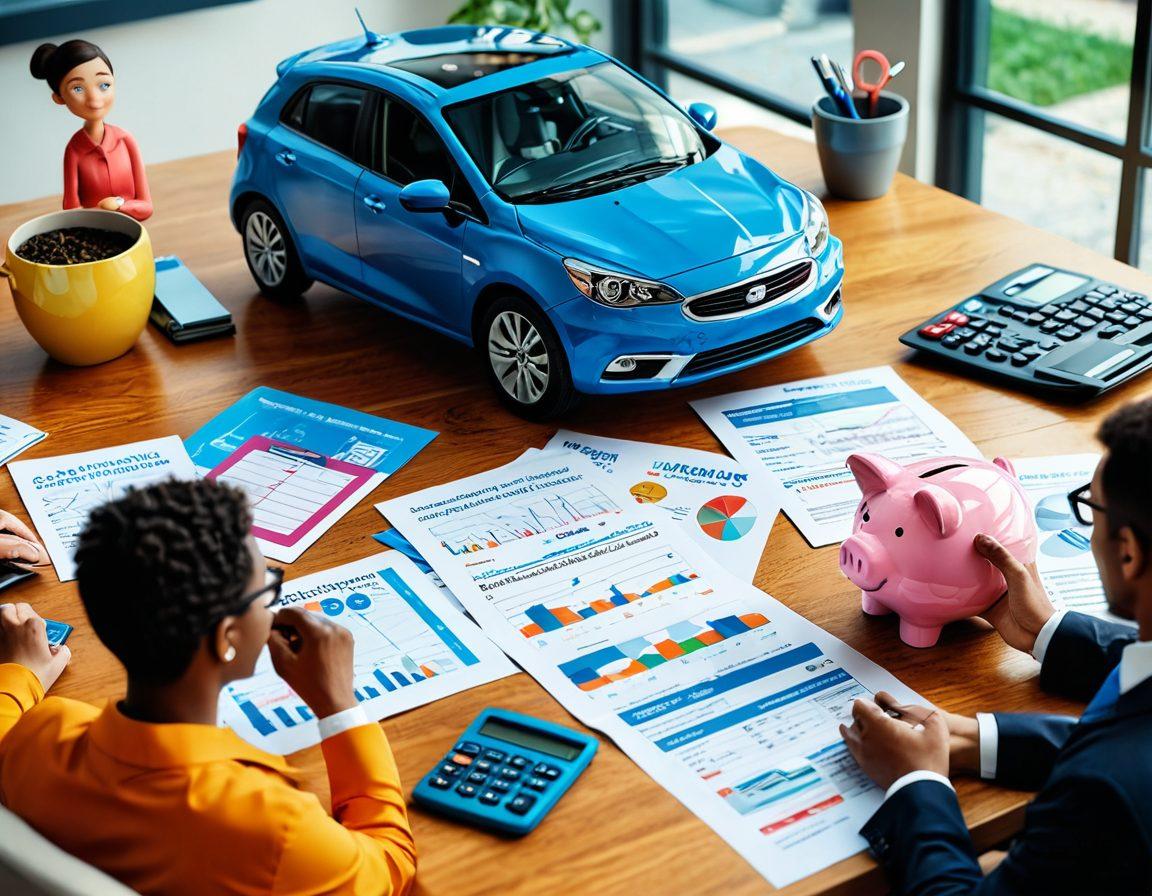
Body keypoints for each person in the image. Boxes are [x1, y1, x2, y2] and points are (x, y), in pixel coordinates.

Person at [0, 479, 416, 895]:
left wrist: (20, 671)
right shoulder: (278, 828)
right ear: (227, 638)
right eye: (265, 590)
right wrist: (339, 705)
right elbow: (390, 866)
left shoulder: (41, 733)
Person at [841, 397, 1152, 894]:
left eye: (1091, 509)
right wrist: (973, 739)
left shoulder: (1103, 795)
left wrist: (916, 784)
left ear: (1129, 551)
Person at [30, 39, 152, 221]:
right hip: (93, 239)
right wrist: (101, 210)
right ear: (59, 98)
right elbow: (72, 212)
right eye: (77, 88)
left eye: (104, 85)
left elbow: (146, 206)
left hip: (134, 233)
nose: (94, 100)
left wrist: (120, 205)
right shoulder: (74, 150)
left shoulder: (125, 141)